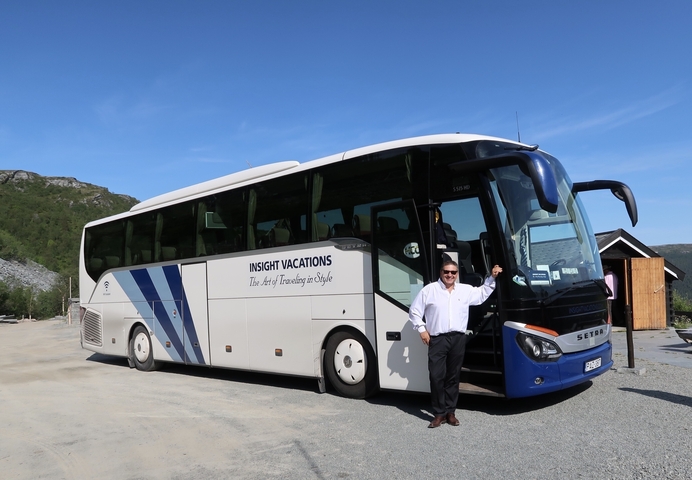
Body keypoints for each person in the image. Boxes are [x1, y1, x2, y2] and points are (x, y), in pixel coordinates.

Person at [409, 259, 502, 428]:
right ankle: (439, 413)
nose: (449, 275)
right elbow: (414, 311)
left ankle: (450, 412)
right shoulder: (429, 290)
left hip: (458, 338)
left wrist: (492, 278)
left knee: (453, 377)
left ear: (457, 274)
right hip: (437, 339)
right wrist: (422, 329)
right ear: (441, 272)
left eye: (453, 272)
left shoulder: (465, 290)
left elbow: (482, 294)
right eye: (446, 272)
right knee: (436, 376)